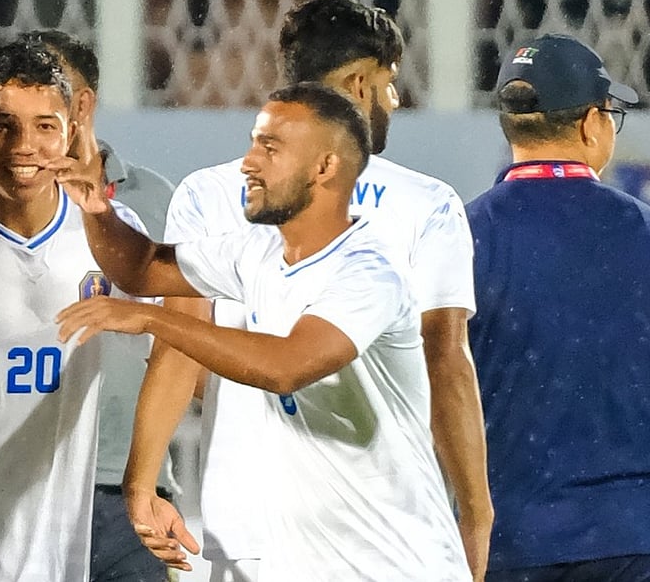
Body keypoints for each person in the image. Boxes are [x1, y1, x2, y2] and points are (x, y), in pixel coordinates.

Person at [121, 0, 493, 581]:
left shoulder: (211, 193)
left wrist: (142, 484)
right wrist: (475, 513)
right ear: (361, 83)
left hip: (249, 532)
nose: (395, 100)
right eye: (390, 83)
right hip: (386, 536)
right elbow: (445, 362)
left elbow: (181, 354)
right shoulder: (428, 203)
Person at [52, 82, 472, 582]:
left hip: (394, 565)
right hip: (300, 562)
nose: (248, 162)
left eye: (269, 148)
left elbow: (285, 367)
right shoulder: (257, 252)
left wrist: (152, 318)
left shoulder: (369, 273)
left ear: (325, 167)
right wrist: (97, 212)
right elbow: (142, 267)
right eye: (253, 143)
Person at [0, 41, 153, 582]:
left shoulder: (110, 231)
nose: (25, 146)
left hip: (59, 548)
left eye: (45, 126)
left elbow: (184, 347)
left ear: (71, 131)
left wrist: (146, 483)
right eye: (3, 125)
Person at [469, 34, 650, 582]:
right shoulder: (642, 231)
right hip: (629, 536)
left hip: (509, 540)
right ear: (592, 124)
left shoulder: (462, 234)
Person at [18, 29, 178, 582]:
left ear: (81, 104)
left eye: (46, 94)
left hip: (124, 485)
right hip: (21, 486)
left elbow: (186, 346)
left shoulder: (156, 202)